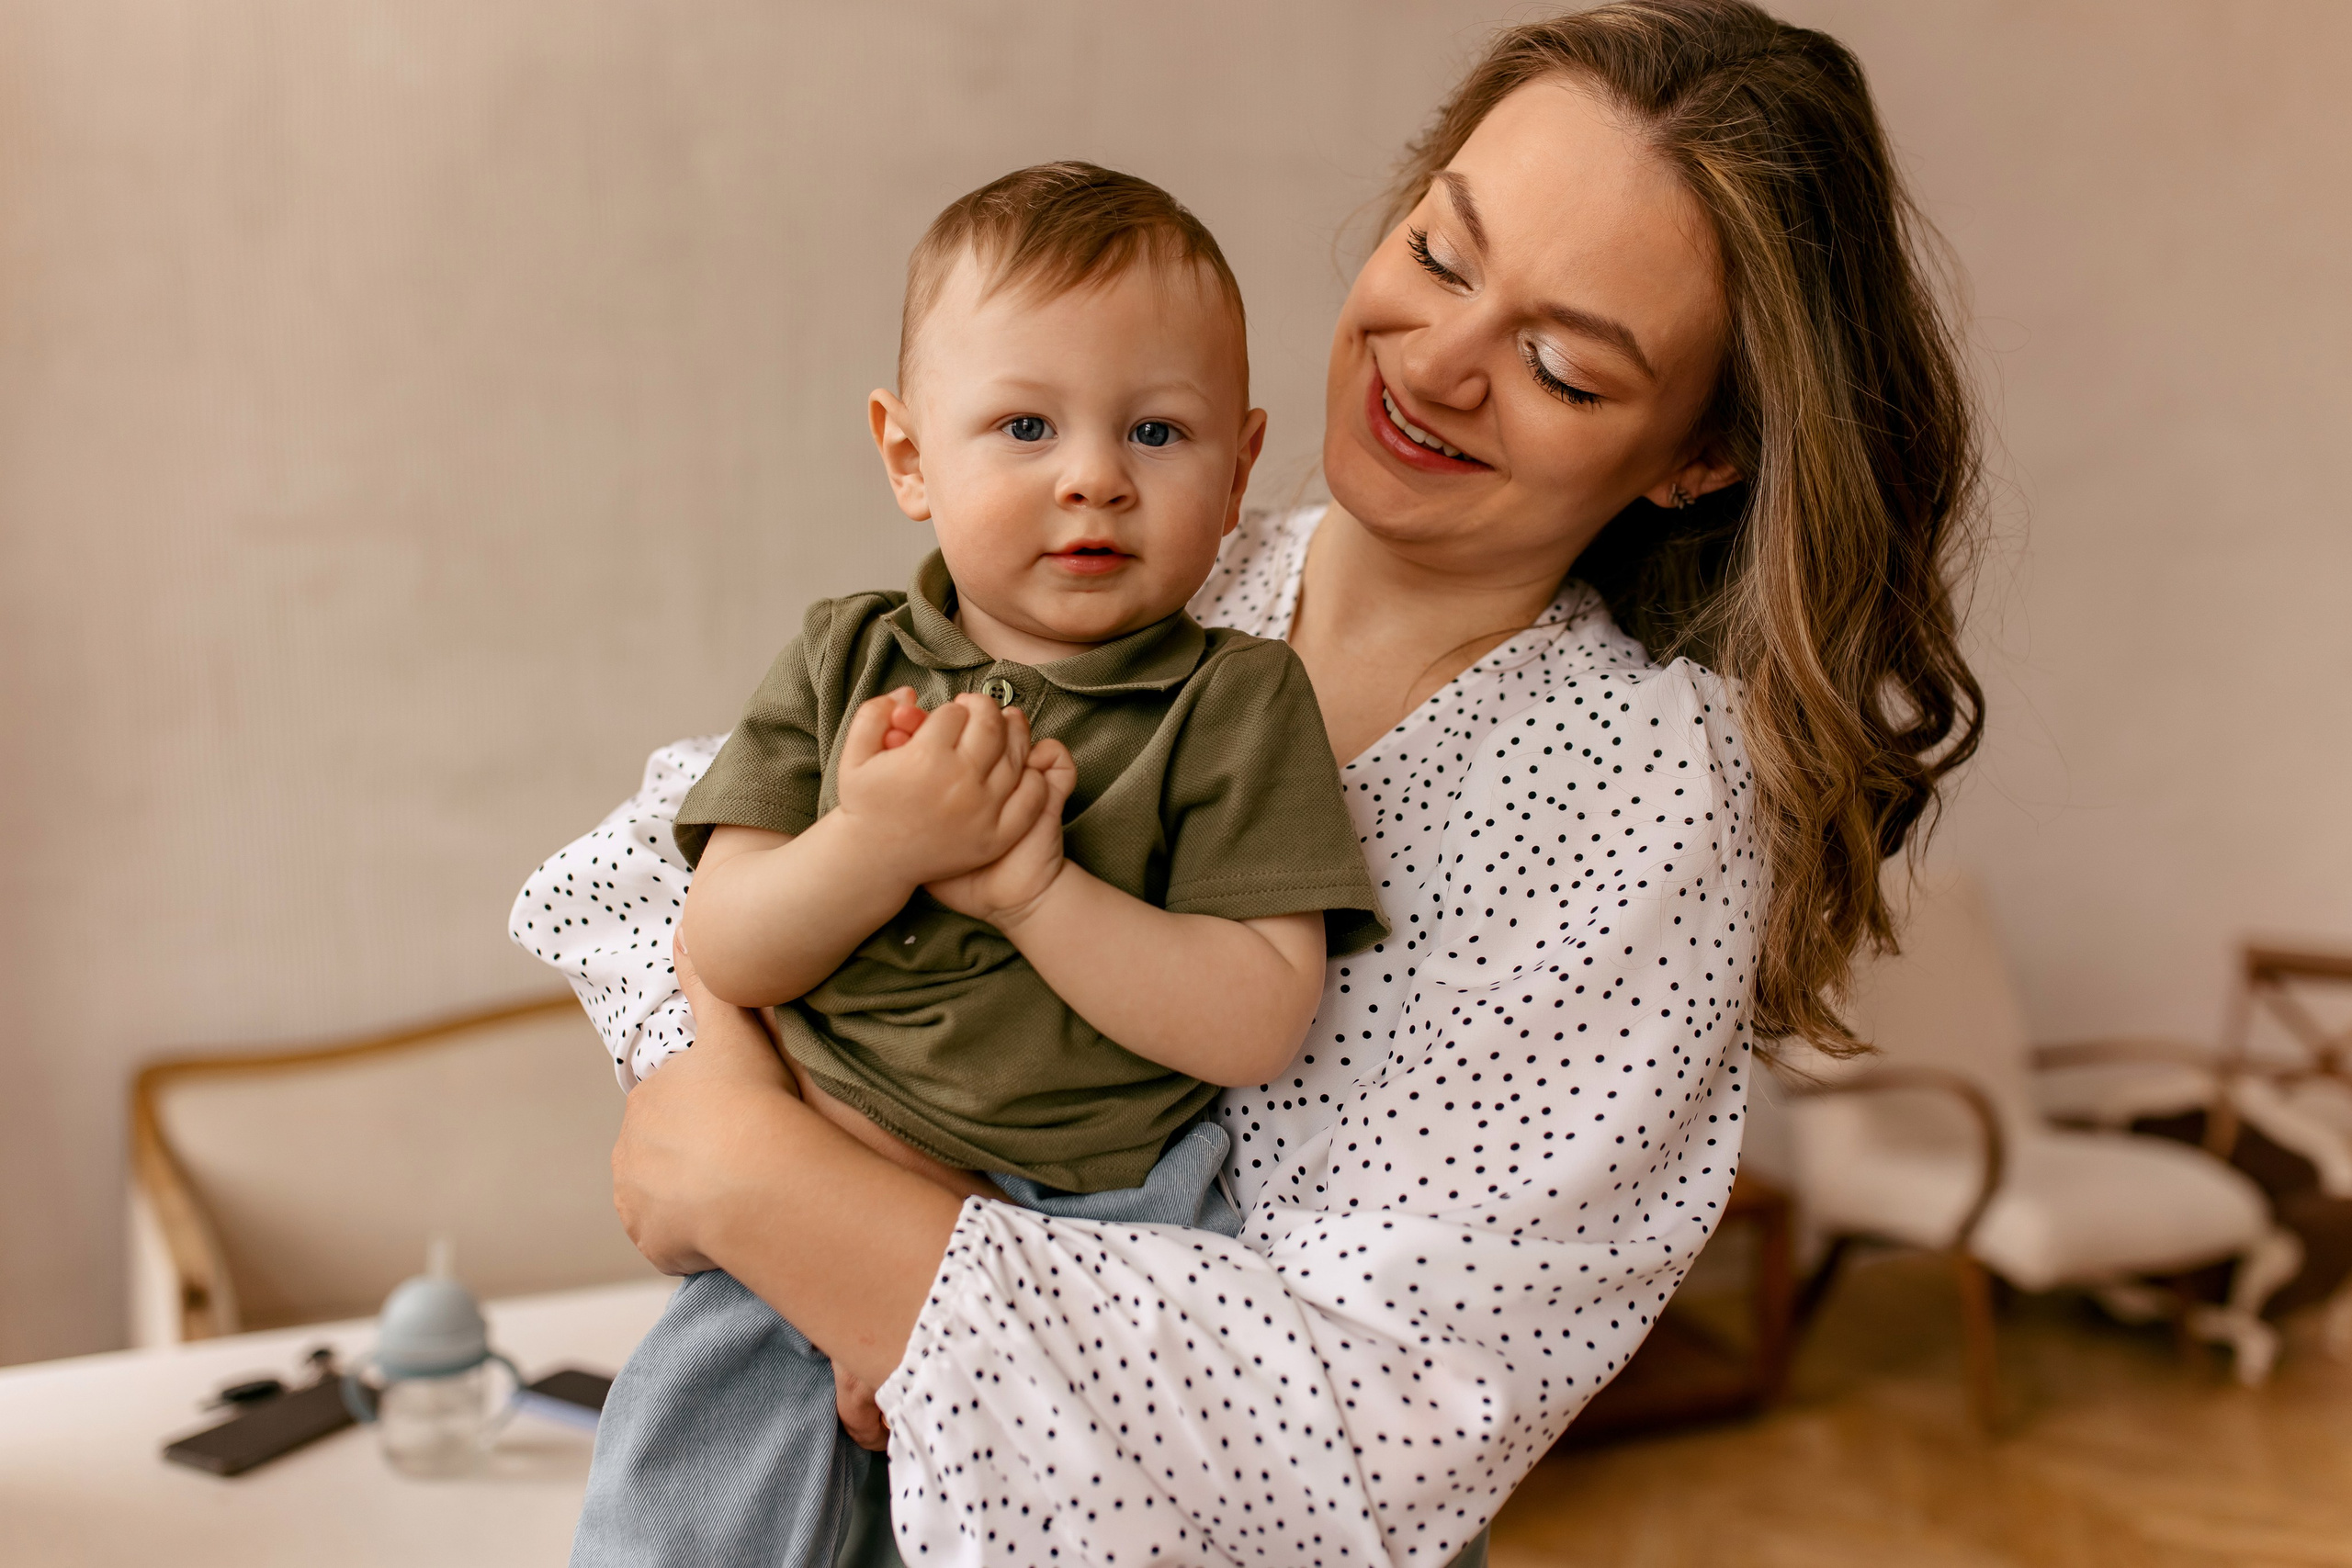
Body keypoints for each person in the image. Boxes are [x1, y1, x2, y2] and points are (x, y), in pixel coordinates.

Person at [518, 3, 1984, 1562]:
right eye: (1439, 255)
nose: (1439, 366)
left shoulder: (1637, 799)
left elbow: (1382, 1414)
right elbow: (655, 880)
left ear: (1700, 455)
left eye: (1560, 365)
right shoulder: (1158, 565)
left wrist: (779, 1195)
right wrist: (773, 1144)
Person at [525, 162, 1390, 1567]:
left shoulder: (1238, 703)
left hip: (1101, 1216)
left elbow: (1256, 1020)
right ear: (910, 453)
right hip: (822, 1154)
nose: (1094, 475)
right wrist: (878, 844)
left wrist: (1035, 894)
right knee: (687, 1496)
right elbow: (725, 943)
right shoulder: (844, 662)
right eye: (1027, 425)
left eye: (1157, 430)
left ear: (1239, 470)